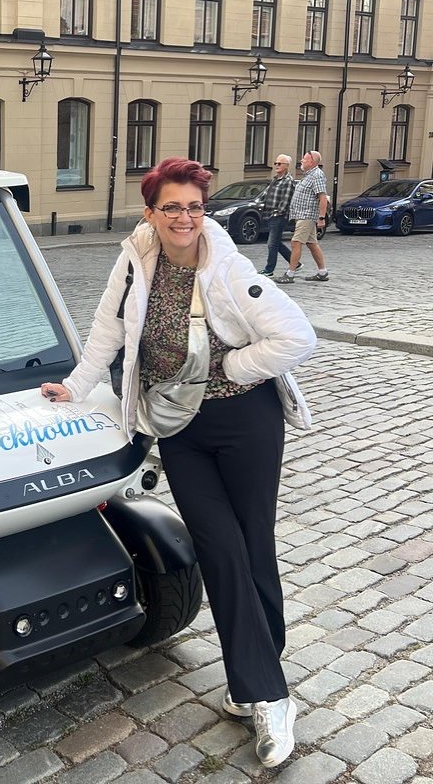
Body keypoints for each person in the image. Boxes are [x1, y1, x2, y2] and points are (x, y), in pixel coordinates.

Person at [40, 157, 316, 770]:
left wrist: (232, 369)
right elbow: (107, 332)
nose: (185, 217)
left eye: (194, 206)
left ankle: (261, 685)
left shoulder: (228, 265)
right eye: (172, 207)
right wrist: (77, 385)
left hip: (246, 422)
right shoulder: (136, 256)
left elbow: (297, 336)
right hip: (179, 427)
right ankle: (266, 687)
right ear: (151, 212)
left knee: (253, 547)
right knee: (219, 549)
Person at [276, 150, 329, 284]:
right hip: (301, 215)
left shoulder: (317, 175)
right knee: (312, 244)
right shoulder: (307, 175)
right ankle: (322, 272)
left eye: (304, 159)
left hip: (307, 215)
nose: (301, 161)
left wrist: (321, 218)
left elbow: (322, 197)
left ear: (312, 162)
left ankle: (290, 274)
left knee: (296, 242)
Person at [259, 154, 296, 278]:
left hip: (279, 216)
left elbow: (286, 200)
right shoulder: (275, 179)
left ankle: (269, 270)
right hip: (270, 214)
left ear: (286, 166)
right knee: (276, 242)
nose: (276, 166)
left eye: (280, 164)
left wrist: (278, 212)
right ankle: (295, 263)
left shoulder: (288, 181)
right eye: (276, 163)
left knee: (272, 244)